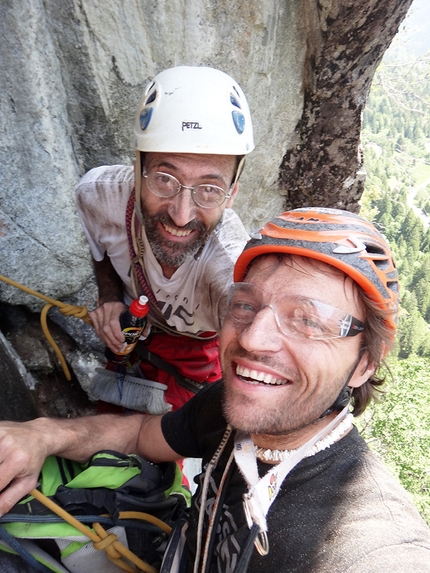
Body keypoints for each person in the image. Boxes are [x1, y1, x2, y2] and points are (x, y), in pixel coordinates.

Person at [1, 207, 430, 573]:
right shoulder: (228, 408)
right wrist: (42, 434)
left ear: (365, 363)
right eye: (245, 305)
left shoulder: (364, 540)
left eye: (308, 319)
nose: (252, 339)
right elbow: (139, 436)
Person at [75, 65, 254, 412]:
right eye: (164, 179)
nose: (182, 215)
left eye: (209, 189)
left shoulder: (229, 267)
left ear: (231, 194)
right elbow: (101, 251)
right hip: (132, 337)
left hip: (196, 358)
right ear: (137, 170)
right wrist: (110, 300)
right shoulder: (98, 197)